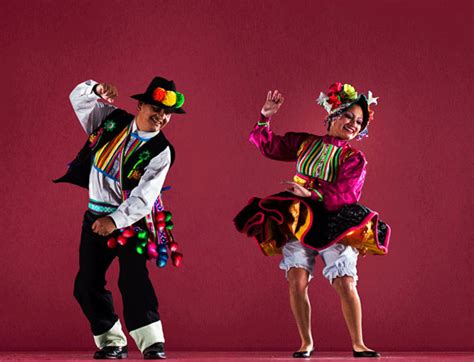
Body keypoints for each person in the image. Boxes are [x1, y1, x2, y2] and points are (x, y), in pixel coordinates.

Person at [234, 82, 390, 358]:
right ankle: (306, 342)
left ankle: (359, 343)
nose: (353, 124)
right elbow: (270, 146)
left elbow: (347, 192)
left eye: (359, 122)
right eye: (349, 117)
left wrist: (313, 192)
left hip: (335, 218)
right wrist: (265, 117)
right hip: (299, 216)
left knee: (345, 281)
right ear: (333, 114)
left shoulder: (354, 157)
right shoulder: (306, 143)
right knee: (297, 278)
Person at [54, 77, 186, 359]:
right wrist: (96, 90)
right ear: (139, 105)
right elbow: (77, 100)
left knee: (133, 278)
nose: (161, 116)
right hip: (94, 216)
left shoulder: (161, 151)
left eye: (167, 113)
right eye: (156, 108)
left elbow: (144, 198)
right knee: (86, 285)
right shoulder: (111, 120)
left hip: (130, 222)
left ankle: (152, 343)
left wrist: (114, 221)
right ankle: (112, 342)